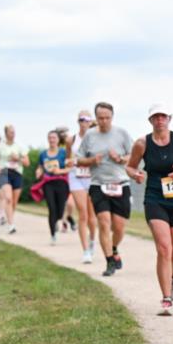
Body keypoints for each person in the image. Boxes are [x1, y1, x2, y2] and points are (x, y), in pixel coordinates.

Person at [127, 104, 173, 315]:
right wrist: (135, 175)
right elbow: (130, 166)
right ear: (150, 120)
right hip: (155, 199)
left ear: (169, 118)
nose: (159, 120)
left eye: (163, 116)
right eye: (155, 117)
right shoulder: (142, 143)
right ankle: (166, 297)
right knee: (164, 248)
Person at [76, 102, 134, 276]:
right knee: (103, 222)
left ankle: (114, 248)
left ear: (112, 117)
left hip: (120, 184)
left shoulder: (122, 133)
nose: (104, 121)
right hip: (98, 185)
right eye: (100, 118)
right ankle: (109, 261)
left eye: (107, 118)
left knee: (119, 227)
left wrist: (121, 159)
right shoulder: (89, 136)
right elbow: (79, 160)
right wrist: (92, 160)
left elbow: (134, 156)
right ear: (96, 118)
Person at [66, 111, 97, 263]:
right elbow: (67, 158)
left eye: (86, 119)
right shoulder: (71, 139)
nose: (83, 122)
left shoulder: (96, 139)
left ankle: (92, 240)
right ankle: (85, 251)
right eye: (81, 119)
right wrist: (70, 162)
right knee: (82, 213)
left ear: (91, 122)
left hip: (92, 177)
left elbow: (98, 159)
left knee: (92, 216)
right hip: (76, 177)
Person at [34, 129, 71, 244]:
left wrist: (60, 171)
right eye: (50, 138)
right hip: (48, 183)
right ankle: (53, 235)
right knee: (51, 208)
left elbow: (70, 168)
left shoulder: (63, 153)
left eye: (54, 138)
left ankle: (58, 220)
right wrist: (38, 171)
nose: (52, 140)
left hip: (62, 182)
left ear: (58, 140)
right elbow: (40, 166)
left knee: (60, 209)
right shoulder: (43, 154)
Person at [0, 124, 30, 234]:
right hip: (5, 172)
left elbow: (27, 163)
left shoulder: (20, 145)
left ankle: (10, 220)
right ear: (6, 133)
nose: (13, 134)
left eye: (14, 132)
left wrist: (17, 158)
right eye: (11, 132)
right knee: (8, 198)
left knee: (14, 202)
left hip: (17, 173)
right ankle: (11, 225)